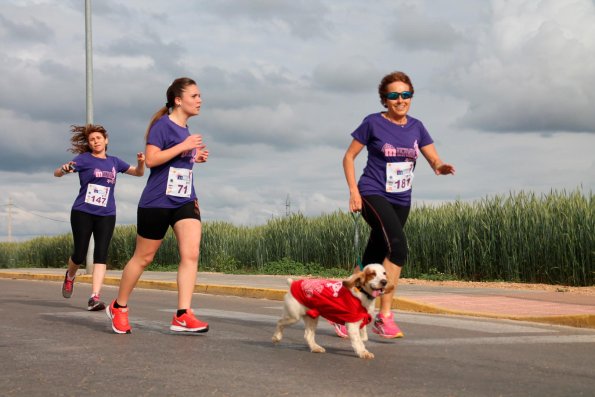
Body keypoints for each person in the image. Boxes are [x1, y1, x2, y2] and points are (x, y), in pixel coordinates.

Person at [338, 71, 455, 338]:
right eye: (393, 95)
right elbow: (348, 157)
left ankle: (344, 310)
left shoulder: (417, 126)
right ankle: (384, 316)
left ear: (411, 97)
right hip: (372, 192)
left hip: (401, 199)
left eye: (405, 95)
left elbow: (433, 158)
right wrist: (354, 192)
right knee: (398, 248)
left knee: (372, 256)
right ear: (385, 99)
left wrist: (440, 166)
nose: (400, 100)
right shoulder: (372, 123)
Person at [106, 77, 209, 334]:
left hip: (184, 198)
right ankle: (119, 306)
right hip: (157, 201)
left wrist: (195, 156)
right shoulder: (162, 126)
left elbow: (175, 162)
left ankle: (183, 314)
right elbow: (151, 160)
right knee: (144, 257)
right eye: (194, 96)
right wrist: (185, 147)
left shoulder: (185, 131)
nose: (199, 100)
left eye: (199, 96)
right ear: (178, 100)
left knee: (191, 254)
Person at [55, 124, 145, 311]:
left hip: (106, 213)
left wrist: (141, 162)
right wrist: (63, 169)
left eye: (98, 138)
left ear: (106, 140)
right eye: (92, 140)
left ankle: (94, 297)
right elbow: (57, 174)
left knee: (101, 254)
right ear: (89, 144)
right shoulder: (84, 159)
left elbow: (138, 173)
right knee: (79, 254)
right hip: (83, 211)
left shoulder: (114, 162)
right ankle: (70, 275)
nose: (95, 141)